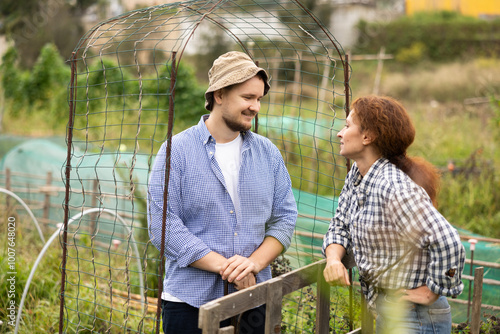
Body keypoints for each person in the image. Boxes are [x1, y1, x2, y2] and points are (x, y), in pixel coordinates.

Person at [148, 51, 297, 334]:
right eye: (247, 97)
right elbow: (162, 226)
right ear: (219, 95)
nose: (256, 107)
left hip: (254, 299)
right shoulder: (176, 152)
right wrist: (226, 267)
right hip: (190, 304)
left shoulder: (268, 154)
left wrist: (253, 263)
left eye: (259, 99)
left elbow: (285, 218)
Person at [322, 95, 465, 333]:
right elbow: (340, 224)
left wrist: (433, 291)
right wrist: (334, 259)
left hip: (415, 317)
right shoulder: (357, 176)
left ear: (368, 137)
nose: (340, 133)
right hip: (390, 310)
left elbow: (448, 240)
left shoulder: (392, 187)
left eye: (347, 126)